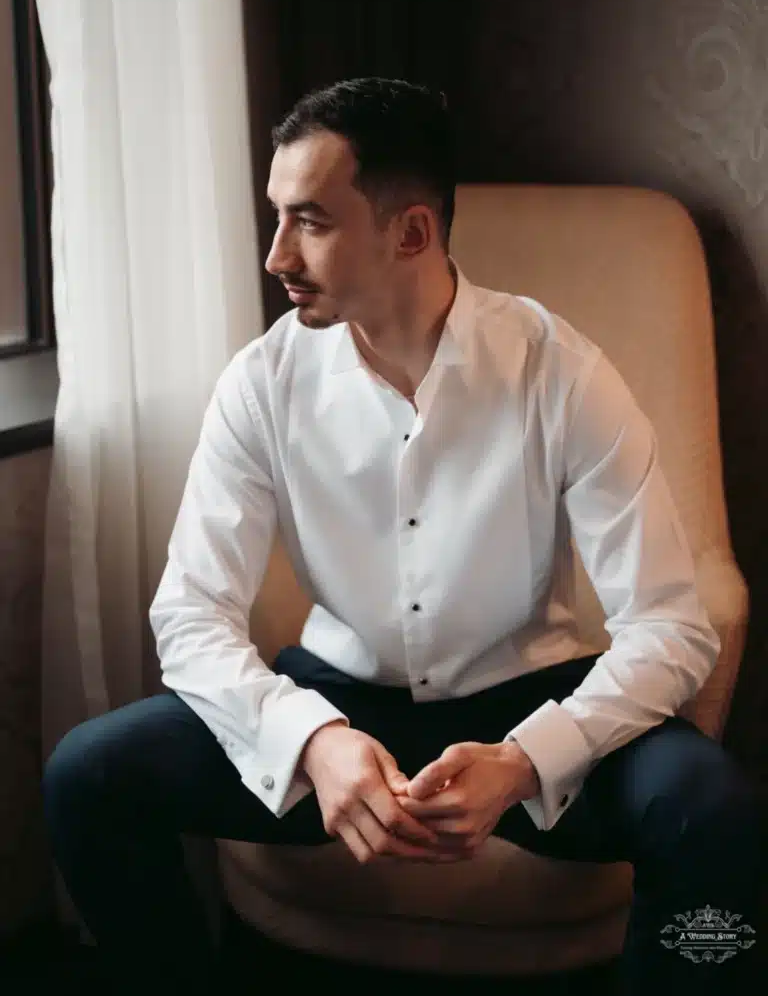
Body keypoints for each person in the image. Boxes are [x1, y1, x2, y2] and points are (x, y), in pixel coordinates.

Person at [43, 77, 759, 994]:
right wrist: (311, 741)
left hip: (523, 704)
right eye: (277, 217)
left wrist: (526, 760)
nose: (275, 255)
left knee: (716, 809)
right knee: (87, 773)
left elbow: (672, 625)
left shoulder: (562, 374)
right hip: (335, 707)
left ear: (410, 232)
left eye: (311, 221)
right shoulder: (262, 384)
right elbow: (190, 611)